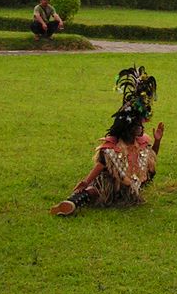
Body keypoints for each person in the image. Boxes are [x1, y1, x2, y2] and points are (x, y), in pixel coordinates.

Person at [51, 66, 163, 216]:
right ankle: (72, 203)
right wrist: (85, 182)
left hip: (131, 188)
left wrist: (157, 141)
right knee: (94, 191)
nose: (141, 128)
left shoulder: (140, 143)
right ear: (127, 128)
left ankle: (75, 202)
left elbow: (151, 160)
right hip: (113, 185)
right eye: (137, 125)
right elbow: (100, 166)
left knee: (140, 179)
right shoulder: (113, 148)